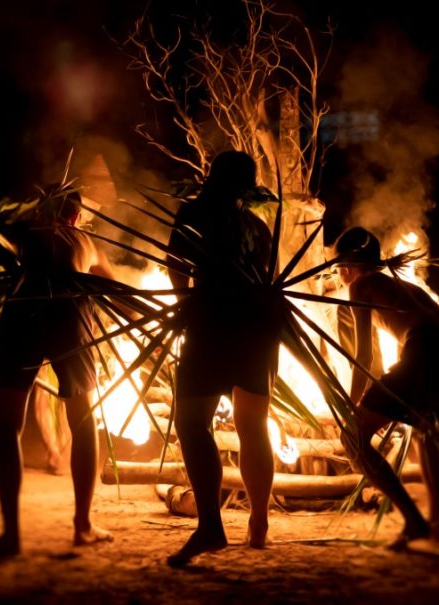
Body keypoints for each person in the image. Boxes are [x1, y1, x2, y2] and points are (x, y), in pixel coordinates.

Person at [0, 189, 116, 558]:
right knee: (83, 421)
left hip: (23, 314)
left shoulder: (24, 234)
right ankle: (82, 526)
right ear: (77, 217)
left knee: (7, 425)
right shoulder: (87, 243)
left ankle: (11, 535)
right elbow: (114, 290)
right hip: (69, 318)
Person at [164, 151, 279, 566]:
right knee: (253, 424)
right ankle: (259, 523)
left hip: (211, 328)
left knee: (192, 423)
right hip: (257, 331)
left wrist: (185, 304)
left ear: (213, 177)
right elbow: (271, 285)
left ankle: (211, 525)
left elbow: (175, 264)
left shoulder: (194, 213)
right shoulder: (257, 226)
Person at [334, 226, 439, 548]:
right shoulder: (407, 286)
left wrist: (351, 406)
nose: (340, 275)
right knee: (425, 433)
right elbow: (434, 331)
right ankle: (436, 525)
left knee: (353, 437)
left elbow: (364, 355)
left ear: (346, 266)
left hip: (426, 351)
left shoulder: (361, 285)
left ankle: (414, 521)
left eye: (338, 268)